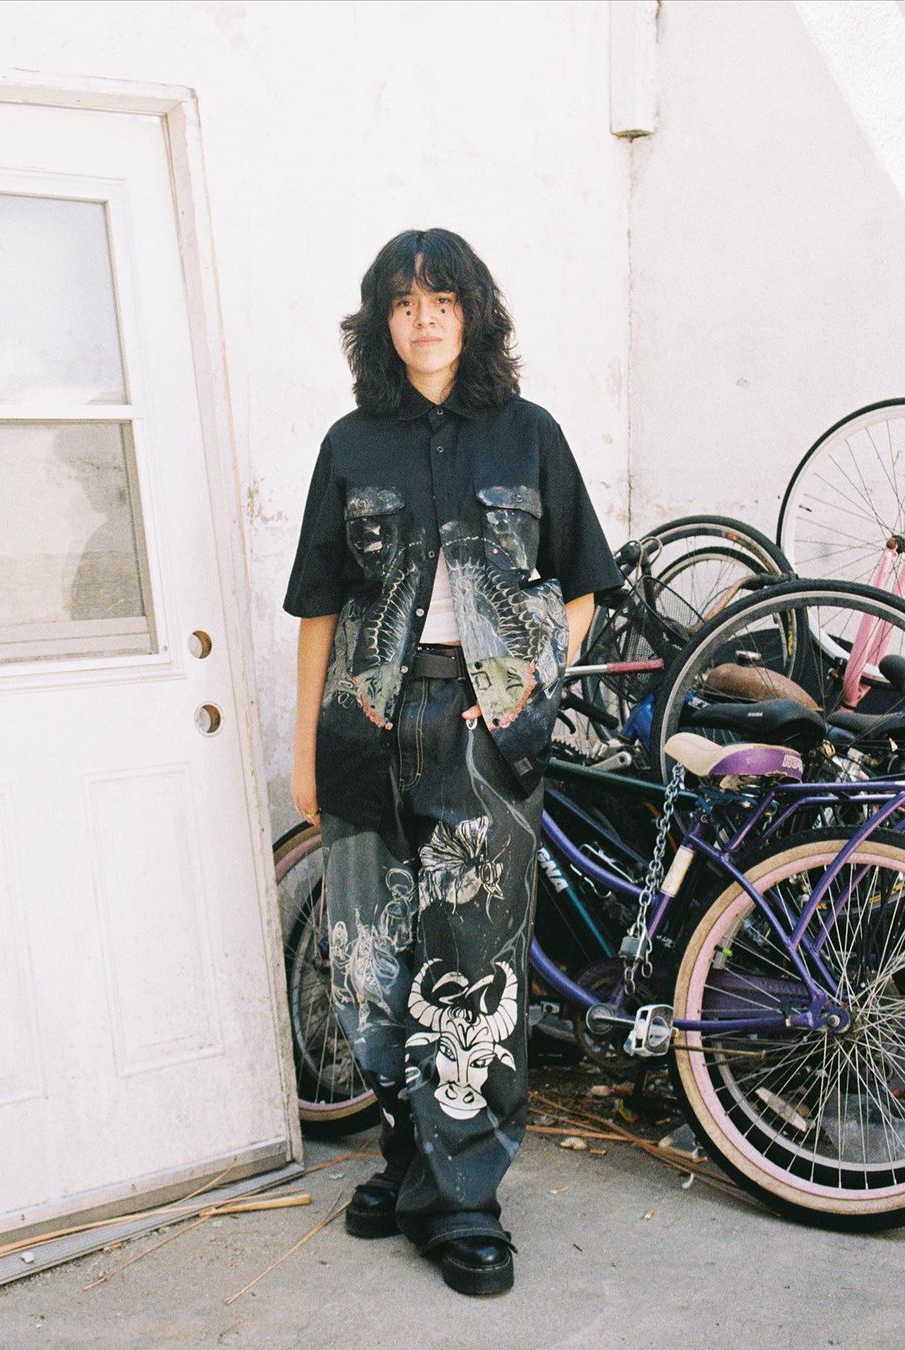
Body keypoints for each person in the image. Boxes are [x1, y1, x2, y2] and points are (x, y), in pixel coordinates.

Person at [283, 228, 621, 1296]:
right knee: (370, 963)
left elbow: (582, 583)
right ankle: (410, 1159)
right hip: (365, 725)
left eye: (442, 299)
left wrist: (525, 684)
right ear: (380, 323)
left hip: (481, 732)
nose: (423, 318)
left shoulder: (528, 434)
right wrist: (305, 748)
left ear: (472, 314)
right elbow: (319, 607)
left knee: (473, 970)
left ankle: (463, 1202)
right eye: (403, 302)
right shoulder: (350, 444)